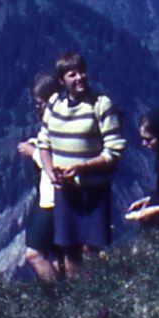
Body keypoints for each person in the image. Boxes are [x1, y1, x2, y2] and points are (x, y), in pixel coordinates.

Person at [35, 51, 124, 277]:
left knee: (90, 249)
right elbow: (44, 142)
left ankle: (94, 294)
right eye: (72, 74)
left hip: (93, 189)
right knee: (69, 249)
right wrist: (50, 171)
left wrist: (82, 167)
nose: (79, 78)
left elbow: (115, 149)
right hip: (65, 190)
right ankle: (76, 298)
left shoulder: (101, 104)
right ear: (62, 80)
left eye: (82, 72)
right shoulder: (55, 104)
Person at [14, 73, 63, 282]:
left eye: (40, 103)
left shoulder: (57, 123)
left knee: (34, 253)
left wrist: (33, 152)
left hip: (51, 198)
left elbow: (58, 161)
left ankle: (58, 295)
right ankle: (68, 292)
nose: (37, 108)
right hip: (49, 195)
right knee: (60, 254)